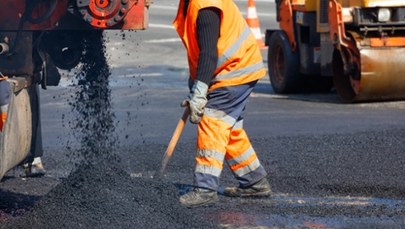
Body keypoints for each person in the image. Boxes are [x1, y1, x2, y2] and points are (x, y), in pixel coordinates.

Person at [174, 0, 271, 208]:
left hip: (234, 70)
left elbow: (209, 53)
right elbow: (202, 51)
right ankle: (254, 180)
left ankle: (205, 189)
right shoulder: (192, 3)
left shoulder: (205, 6)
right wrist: (197, 82)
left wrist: (200, 90)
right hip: (235, 67)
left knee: (212, 120)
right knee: (229, 126)